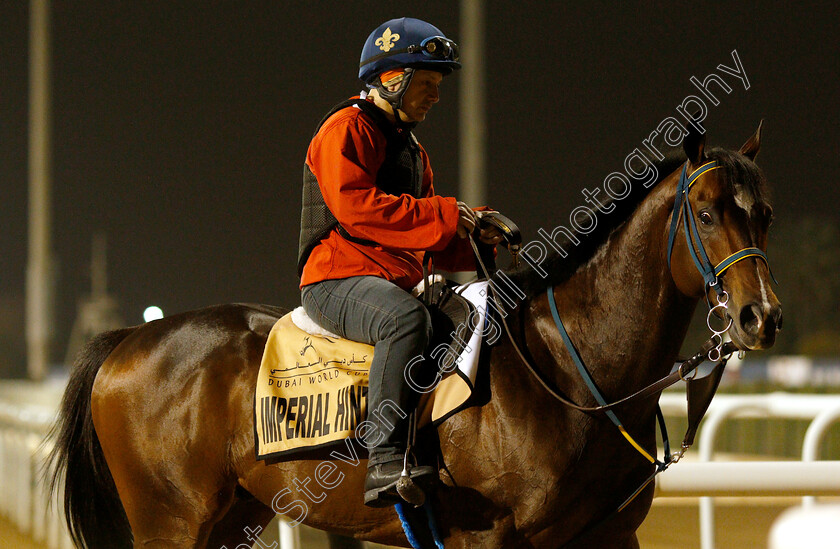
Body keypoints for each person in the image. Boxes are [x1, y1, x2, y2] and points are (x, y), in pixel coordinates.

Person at [297, 17, 502, 508]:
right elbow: (358, 208)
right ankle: (385, 457)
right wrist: (449, 215)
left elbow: (420, 236)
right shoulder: (344, 129)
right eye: (427, 84)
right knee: (405, 319)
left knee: (479, 317)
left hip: (389, 277)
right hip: (334, 279)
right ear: (392, 79)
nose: (434, 94)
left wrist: (474, 236)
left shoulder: (413, 152)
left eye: (437, 85)